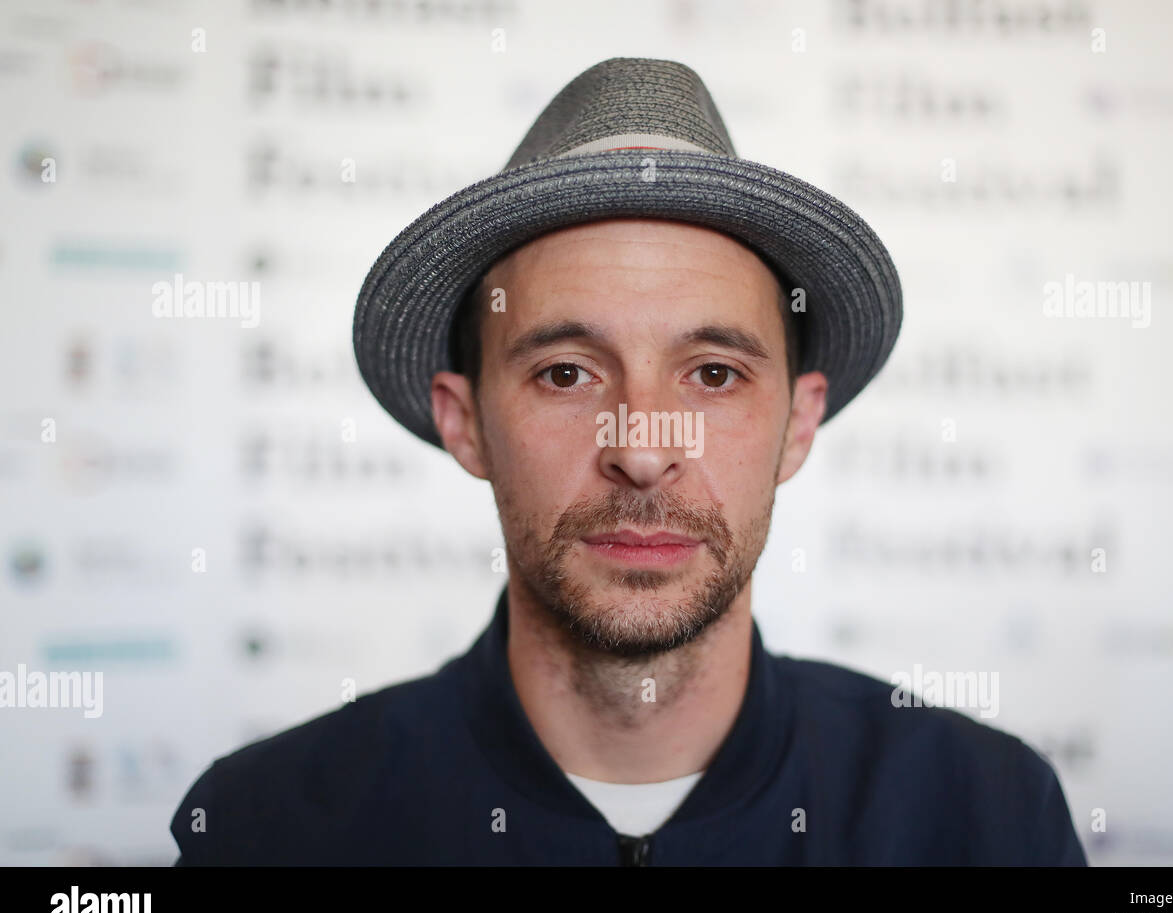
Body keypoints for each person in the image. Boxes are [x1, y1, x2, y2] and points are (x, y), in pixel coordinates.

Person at [170, 57, 1086, 865]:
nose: (644, 450)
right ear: (467, 424)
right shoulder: (271, 828)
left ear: (799, 425)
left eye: (714, 374)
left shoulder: (982, 816)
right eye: (566, 373)